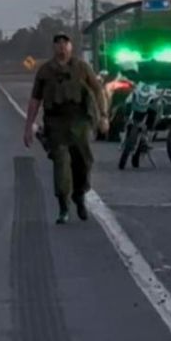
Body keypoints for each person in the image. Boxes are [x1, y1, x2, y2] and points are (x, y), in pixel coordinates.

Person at [23, 33, 110, 223]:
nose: (62, 47)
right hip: (56, 123)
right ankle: (63, 206)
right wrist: (29, 126)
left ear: (71, 47)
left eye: (65, 43)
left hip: (79, 121)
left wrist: (103, 116)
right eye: (58, 44)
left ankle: (79, 195)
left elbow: (97, 90)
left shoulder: (81, 67)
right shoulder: (45, 71)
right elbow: (35, 99)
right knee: (61, 164)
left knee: (84, 162)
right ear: (54, 47)